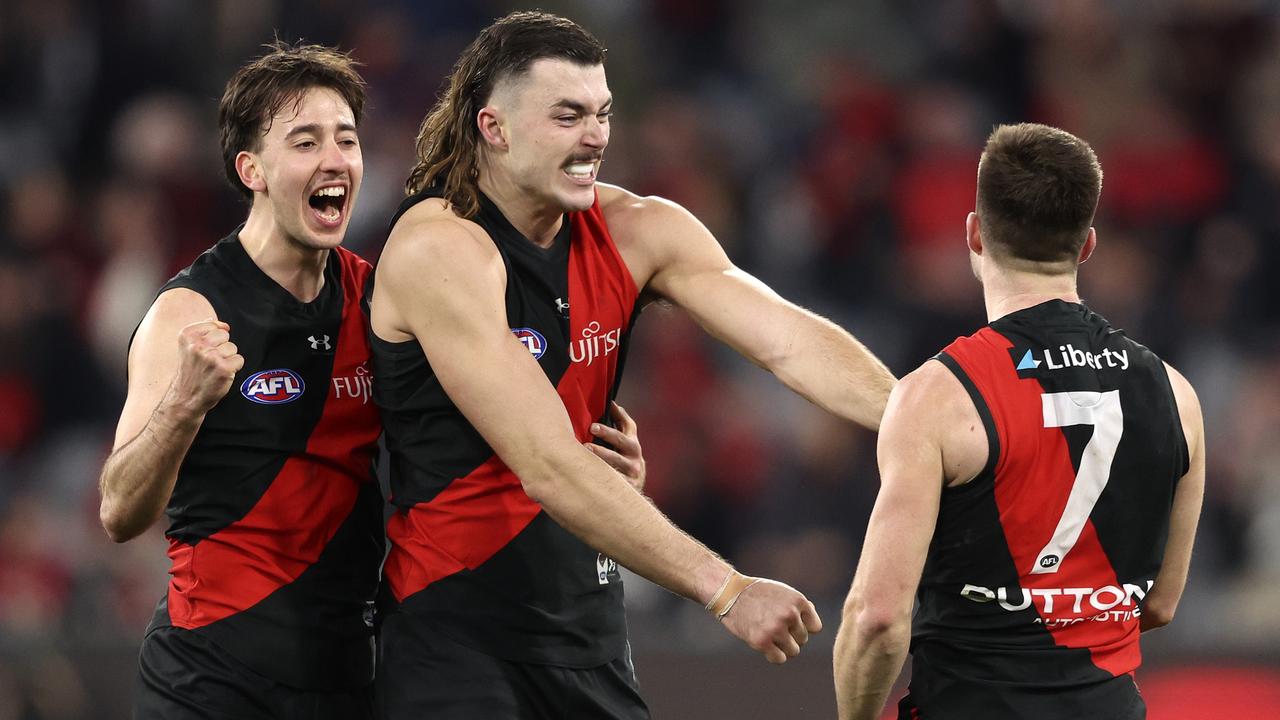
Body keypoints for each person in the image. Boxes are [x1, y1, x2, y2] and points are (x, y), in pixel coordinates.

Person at [369, 10, 897, 719]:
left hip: (588, 630)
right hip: (456, 637)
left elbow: (786, 339)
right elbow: (548, 463)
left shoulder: (640, 229)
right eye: (566, 116)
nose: (595, 137)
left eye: (602, 114)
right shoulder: (439, 248)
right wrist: (726, 588)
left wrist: (920, 422)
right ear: (492, 128)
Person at [833, 123, 1205, 720]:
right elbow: (1159, 604)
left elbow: (876, 617)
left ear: (975, 234)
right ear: (1086, 245)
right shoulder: (1175, 393)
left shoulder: (937, 395)